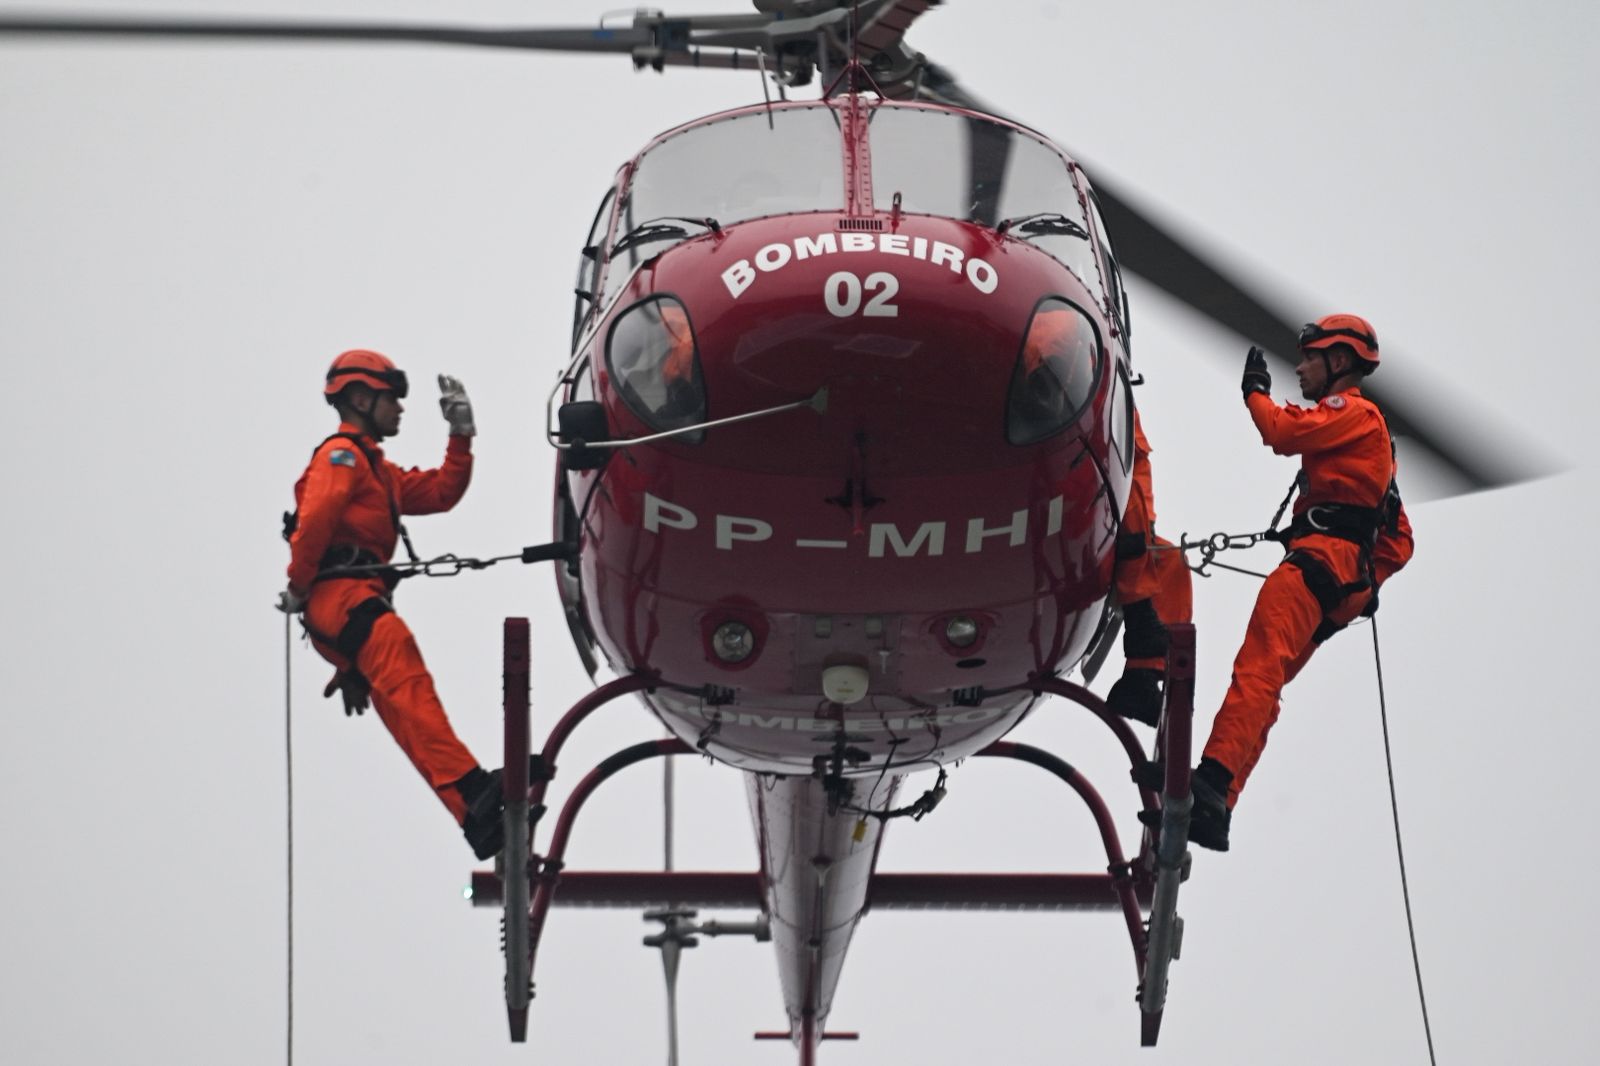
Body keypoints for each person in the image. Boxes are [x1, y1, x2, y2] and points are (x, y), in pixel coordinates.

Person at [1189, 315, 1414, 851]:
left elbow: (1281, 432)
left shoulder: (1354, 413)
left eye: (1309, 358)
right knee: (1269, 683)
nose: (1299, 367)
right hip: (1337, 579)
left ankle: (1214, 778)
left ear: (1338, 362)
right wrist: (1363, 585)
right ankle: (1217, 808)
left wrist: (1255, 394)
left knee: (1259, 666)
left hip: (1318, 564)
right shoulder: (1375, 448)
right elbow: (1400, 541)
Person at [276, 349, 506, 859]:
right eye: (391, 400)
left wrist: (461, 434)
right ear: (360, 399)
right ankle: (473, 788)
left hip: (352, 599)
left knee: (404, 708)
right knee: (404, 673)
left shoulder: (381, 473)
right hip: (338, 596)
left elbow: (443, 491)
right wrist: (297, 585)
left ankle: (474, 817)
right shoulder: (342, 457)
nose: (400, 410)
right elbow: (316, 521)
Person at [1106, 409, 1195, 725]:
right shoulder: (1070, 364)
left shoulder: (1117, 399)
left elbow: (1135, 464)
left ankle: (1142, 677)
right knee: (1133, 531)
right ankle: (1141, 622)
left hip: (1100, 523)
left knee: (1170, 560)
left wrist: (1149, 524)